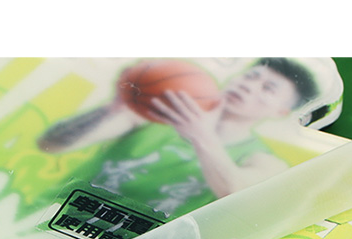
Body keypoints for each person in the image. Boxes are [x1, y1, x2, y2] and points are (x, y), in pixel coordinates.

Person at [37, 58, 321, 220]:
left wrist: (202, 134)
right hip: (49, 218)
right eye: (251, 76)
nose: (249, 85)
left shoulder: (265, 161)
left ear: (280, 111)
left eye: (268, 88)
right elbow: (52, 144)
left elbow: (237, 194)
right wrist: (114, 107)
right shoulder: (158, 112)